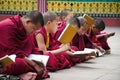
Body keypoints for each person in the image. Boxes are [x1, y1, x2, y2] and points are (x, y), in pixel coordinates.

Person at [0, 10, 49, 80]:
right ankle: (21, 75)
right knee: (20, 64)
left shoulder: (25, 29)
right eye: (34, 29)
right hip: (5, 58)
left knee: (42, 61)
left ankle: (24, 74)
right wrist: (34, 64)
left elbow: (32, 48)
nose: (34, 32)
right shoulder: (8, 26)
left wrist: (41, 63)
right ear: (28, 22)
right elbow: (13, 53)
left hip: (21, 57)